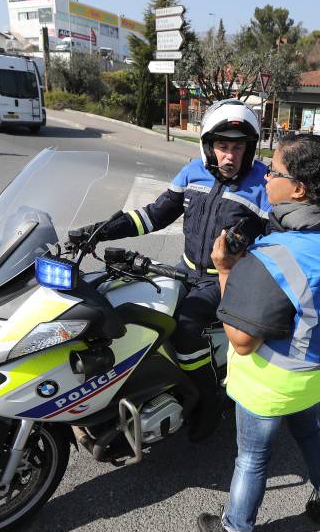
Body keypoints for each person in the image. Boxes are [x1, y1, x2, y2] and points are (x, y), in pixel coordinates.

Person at [196, 133, 320, 532]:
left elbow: (241, 340)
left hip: (274, 381)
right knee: (310, 429)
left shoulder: (275, 256)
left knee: (253, 458)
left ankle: (236, 531)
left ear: (298, 189)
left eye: (273, 170)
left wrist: (226, 271)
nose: (266, 176)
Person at [76, 99, 270, 441]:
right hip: (183, 270)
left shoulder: (263, 185)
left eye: (238, 148)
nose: (230, 156)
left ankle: (208, 398)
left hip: (224, 280)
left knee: (185, 325)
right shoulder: (191, 172)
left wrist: (253, 237)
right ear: (208, 146)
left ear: (249, 148)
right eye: (222, 146)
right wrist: (99, 231)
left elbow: (278, 236)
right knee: (135, 310)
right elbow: (153, 215)